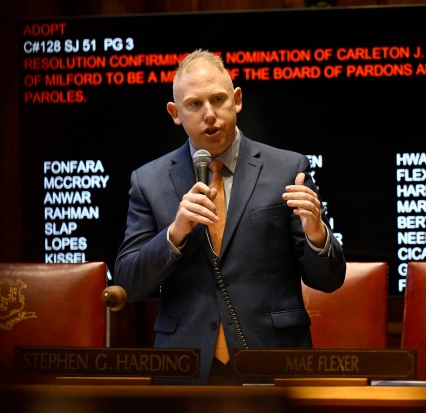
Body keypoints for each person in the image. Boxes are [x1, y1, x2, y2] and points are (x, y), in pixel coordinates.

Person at [114, 49, 346, 385]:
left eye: (218, 99)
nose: (209, 114)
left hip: (272, 360)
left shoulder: (288, 169)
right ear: (175, 113)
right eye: (194, 104)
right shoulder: (148, 181)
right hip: (184, 365)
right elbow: (128, 282)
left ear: (236, 100)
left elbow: (329, 280)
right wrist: (175, 233)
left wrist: (316, 233)